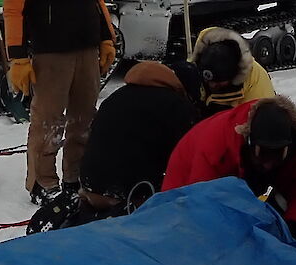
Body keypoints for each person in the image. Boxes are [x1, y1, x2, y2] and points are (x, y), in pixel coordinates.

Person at [3, 0, 118, 203]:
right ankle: (42, 182)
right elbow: (14, 9)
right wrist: (18, 57)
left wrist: (106, 38)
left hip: (86, 46)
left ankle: (74, 177)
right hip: (50, 51)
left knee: (84, 119)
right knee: (48, 121)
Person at [28, 61, 204, 233]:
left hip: (89, 187)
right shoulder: (178, 107)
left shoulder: (117, 96)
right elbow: (190, 160)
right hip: (130, 197)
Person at [163, 95, 296, 236]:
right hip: (187, 172)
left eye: (277, 154)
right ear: (249, 142)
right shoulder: (217, 148)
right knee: (185, 229)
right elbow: (201, 203)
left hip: (241, 173)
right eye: (263, 153)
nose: (269, 163)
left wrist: (292, 225)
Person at [189, 27, 275, 114]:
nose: (212, 85)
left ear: (233, 75)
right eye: (208, 80)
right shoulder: (200, 58)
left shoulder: (258, 95)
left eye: (218, 82)